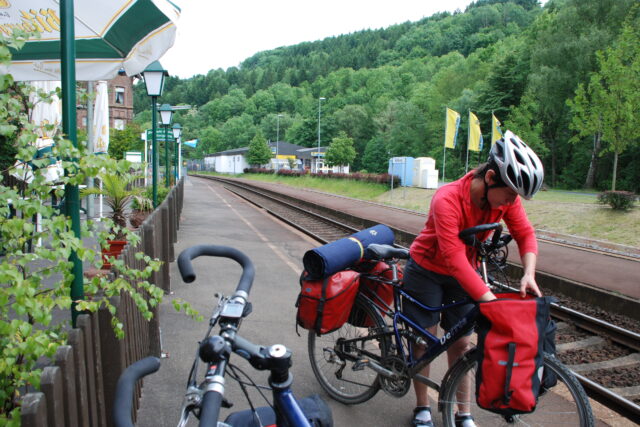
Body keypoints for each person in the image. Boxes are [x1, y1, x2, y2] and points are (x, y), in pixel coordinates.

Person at [403, 130, 545, 427]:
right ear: (491, 177)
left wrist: (529, 273)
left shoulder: (505, 199)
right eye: (509, 194)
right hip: (427, 270)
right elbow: (453, 259)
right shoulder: (448, 199)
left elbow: (525, 234)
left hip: (463, 272)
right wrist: (490, 301)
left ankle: (463, 413)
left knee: (463, 345)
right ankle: (421, 408)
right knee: (423, 343)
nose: (511, 201)